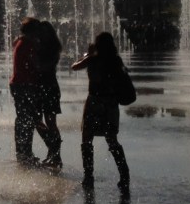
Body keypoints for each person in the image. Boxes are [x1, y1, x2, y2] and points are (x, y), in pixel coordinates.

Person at [71, 32, 131, 193]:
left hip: (95, 102)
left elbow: (74, 66)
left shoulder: (92, 59)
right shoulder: (115, 60)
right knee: (111, 139)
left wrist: (88, 54)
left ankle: (88, 176)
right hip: (111, 103)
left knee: (87, 139)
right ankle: (124, 174)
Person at [9, 17, 44, 167]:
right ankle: (25, 155)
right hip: (25, 85)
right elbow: (37, 64)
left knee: (23, 120)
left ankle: (23, 153)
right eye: (37, 30)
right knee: (27, 121)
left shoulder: (20, 41)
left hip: (18, 84)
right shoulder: (29, 44)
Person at [35, 20, 63, 170]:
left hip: (49, 87)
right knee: (37, 120)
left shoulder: (53, 49)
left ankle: (56, 155)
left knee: (51, 122)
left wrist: (36, 65)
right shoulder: (39, 47)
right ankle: (53, 150)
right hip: (40, 88)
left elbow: (46, 67)